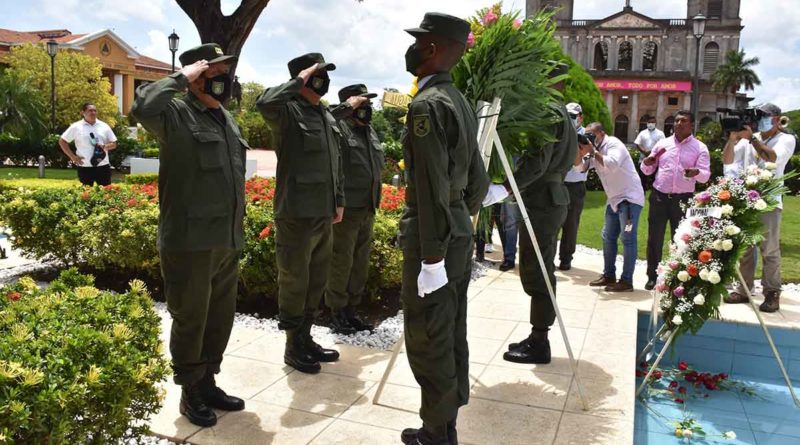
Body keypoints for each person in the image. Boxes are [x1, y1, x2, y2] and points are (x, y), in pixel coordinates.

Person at [130, 43, 246, 427]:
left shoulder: (226, 119)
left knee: (219, 318)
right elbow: (142, 106)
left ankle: (208, 380)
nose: (221, 79)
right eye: (212, 72)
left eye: (223, 71)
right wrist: (180, 78)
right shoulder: (175, 115)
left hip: (226, 239)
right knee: (191, 318)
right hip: (190, 241)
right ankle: (190, 390)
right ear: (196, 76)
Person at [399, 12, 489, 445]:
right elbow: (480, 180)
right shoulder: (461, 102)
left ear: (432, 48)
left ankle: (436, 433)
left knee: (428, 333)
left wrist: (432, 254)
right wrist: (459, 216)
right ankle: (446, 420)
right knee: (451, 327)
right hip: (454, 228)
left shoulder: (426, 104)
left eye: (419, 41)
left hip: (431, 238)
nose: (413, 48)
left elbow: (430, 185)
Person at [256, 53, 344, 374]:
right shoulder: (287, 112)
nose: (323, 80)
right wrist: (298, 81)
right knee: (295, 279)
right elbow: (264, 103)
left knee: (316, 280)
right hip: (296, 213)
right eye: (317, 74)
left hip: (323, 212)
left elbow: (336, 163)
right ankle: (293, 345)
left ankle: (307, 338)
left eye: (324, 74)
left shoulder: (324, 114)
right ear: (303, 77)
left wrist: (339, 199)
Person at [502, 66, 578, 365]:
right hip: (550, 197)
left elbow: (537, 162)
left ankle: (540, 341)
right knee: (539, 268)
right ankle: (537, 334)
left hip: (542, 201)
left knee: (539, 272)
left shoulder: (548, 112)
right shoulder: (563, 114)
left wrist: (507, 184)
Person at [722, 103, 796, 312]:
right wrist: (732, 139)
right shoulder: (748, 139)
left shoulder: (786, 139)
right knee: (745, 248)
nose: (760, 119)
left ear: (776, 118)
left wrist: (752, 139)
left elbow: (771, 157)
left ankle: (772, 293)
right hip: (747, 200)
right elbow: (727, 160)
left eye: (764, 115)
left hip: (770, 202)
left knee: (769, 250)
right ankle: (744, 289)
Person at [326, 84, 385, 334]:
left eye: (369, 103)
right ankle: (336, 312)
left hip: (368, 207)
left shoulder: (369, 132)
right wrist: (346, 108)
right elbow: (327, 116)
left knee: (359, 263)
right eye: (362, 103)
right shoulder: (338, 128)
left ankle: (351, 310)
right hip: (346, 209)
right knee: (341, 261)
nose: (367, 108)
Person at [640, 110, 711, 290]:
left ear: (692, 124)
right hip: (659, 196)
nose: (679, 123)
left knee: (680, 239)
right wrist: (646, 164)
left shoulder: (700, 148)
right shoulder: (662, 144)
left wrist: (696, 172)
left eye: (683, 121)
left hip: (683, 199)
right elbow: (648, 169)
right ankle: (652, 276)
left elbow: (705, 176)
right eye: (677, 120)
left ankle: (677, 277)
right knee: (654, 238)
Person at [578, 122, 645, 292]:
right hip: (614, 200)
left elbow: (612, 163)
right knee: (607, 237)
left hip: (629, 199)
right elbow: (580, 168)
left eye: (592, 135)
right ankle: (609, 275)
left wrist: (593, 151)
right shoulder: (594, 151)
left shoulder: (614, 143)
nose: (589, 139)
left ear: (602, 133)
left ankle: (627, 281)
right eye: (587, 136)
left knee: (628, 238)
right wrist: (579, 151)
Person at [59, 102, 117, 186]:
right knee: (86, 194)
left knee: (106, 192)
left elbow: (114, 144)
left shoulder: (104, 126)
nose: (93, 113)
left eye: (95, 111)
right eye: (90, 110)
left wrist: (105, 146)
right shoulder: (76, 127)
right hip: (84, 165)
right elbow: (62, 141)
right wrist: (72, 157)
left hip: (102, 165)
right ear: (82, 112)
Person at [558, 102, 586, 271]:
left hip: (575, 186)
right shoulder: (559, 133)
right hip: (558, 184)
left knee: (571, 224)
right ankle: (548, 258)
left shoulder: (586, 136)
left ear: (581, 118)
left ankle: (566, 258)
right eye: (567, 115)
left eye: (573, 116)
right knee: (552, 223)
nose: (570, 119)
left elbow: (582, 165)